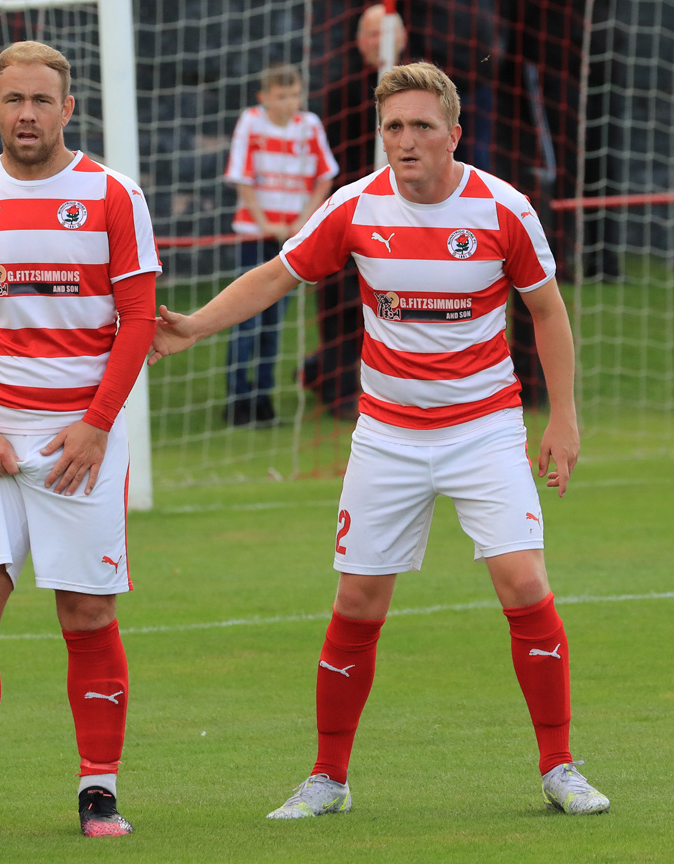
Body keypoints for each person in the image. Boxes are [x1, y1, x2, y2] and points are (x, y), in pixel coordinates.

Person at [150, 62, 609, 818]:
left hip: (484, 429)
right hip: (388, 434)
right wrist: (195, 326)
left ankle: (560, 768)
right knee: (357, 601)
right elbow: (276, 275)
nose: (406, 140)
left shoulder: (504, 208)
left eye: (422, 125)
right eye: (393, 126)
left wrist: (564, 418)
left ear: (454, 133)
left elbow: (548, 311)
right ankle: (327, 779)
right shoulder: (354, 206)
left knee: (524, 583)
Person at [0, 41, 160, 839]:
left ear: (67, 109)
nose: (27, 114)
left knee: (86, 613)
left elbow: (140, 318)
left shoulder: (113, 194)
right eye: (13, 99)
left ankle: (98, 793)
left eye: (41, 100)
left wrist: (97, 424)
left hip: (84, 441)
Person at [304, 4, 406, 420]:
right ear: (359, 41)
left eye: (386, 32)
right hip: (350, 212)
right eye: (371, 33)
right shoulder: (342, 90)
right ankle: (338, 390)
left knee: (393, 305)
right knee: (339, 305)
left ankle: (387, 387)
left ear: (402, 38)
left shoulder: (419, 93)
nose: (379, 41)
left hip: (402, 216)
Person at [222, 62, 337, 426]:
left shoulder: (310, 126)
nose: (290, 102)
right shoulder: (251, 122)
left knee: (273, 323)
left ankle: (264, 400)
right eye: (281, 95)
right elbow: (241, 178)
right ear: (264, 97)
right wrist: (264, 222)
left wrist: (304, 220)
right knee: (246, 320)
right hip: (255, 236)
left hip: (291, 238)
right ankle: (238, 401)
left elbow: (325, 177)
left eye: (294, 94)